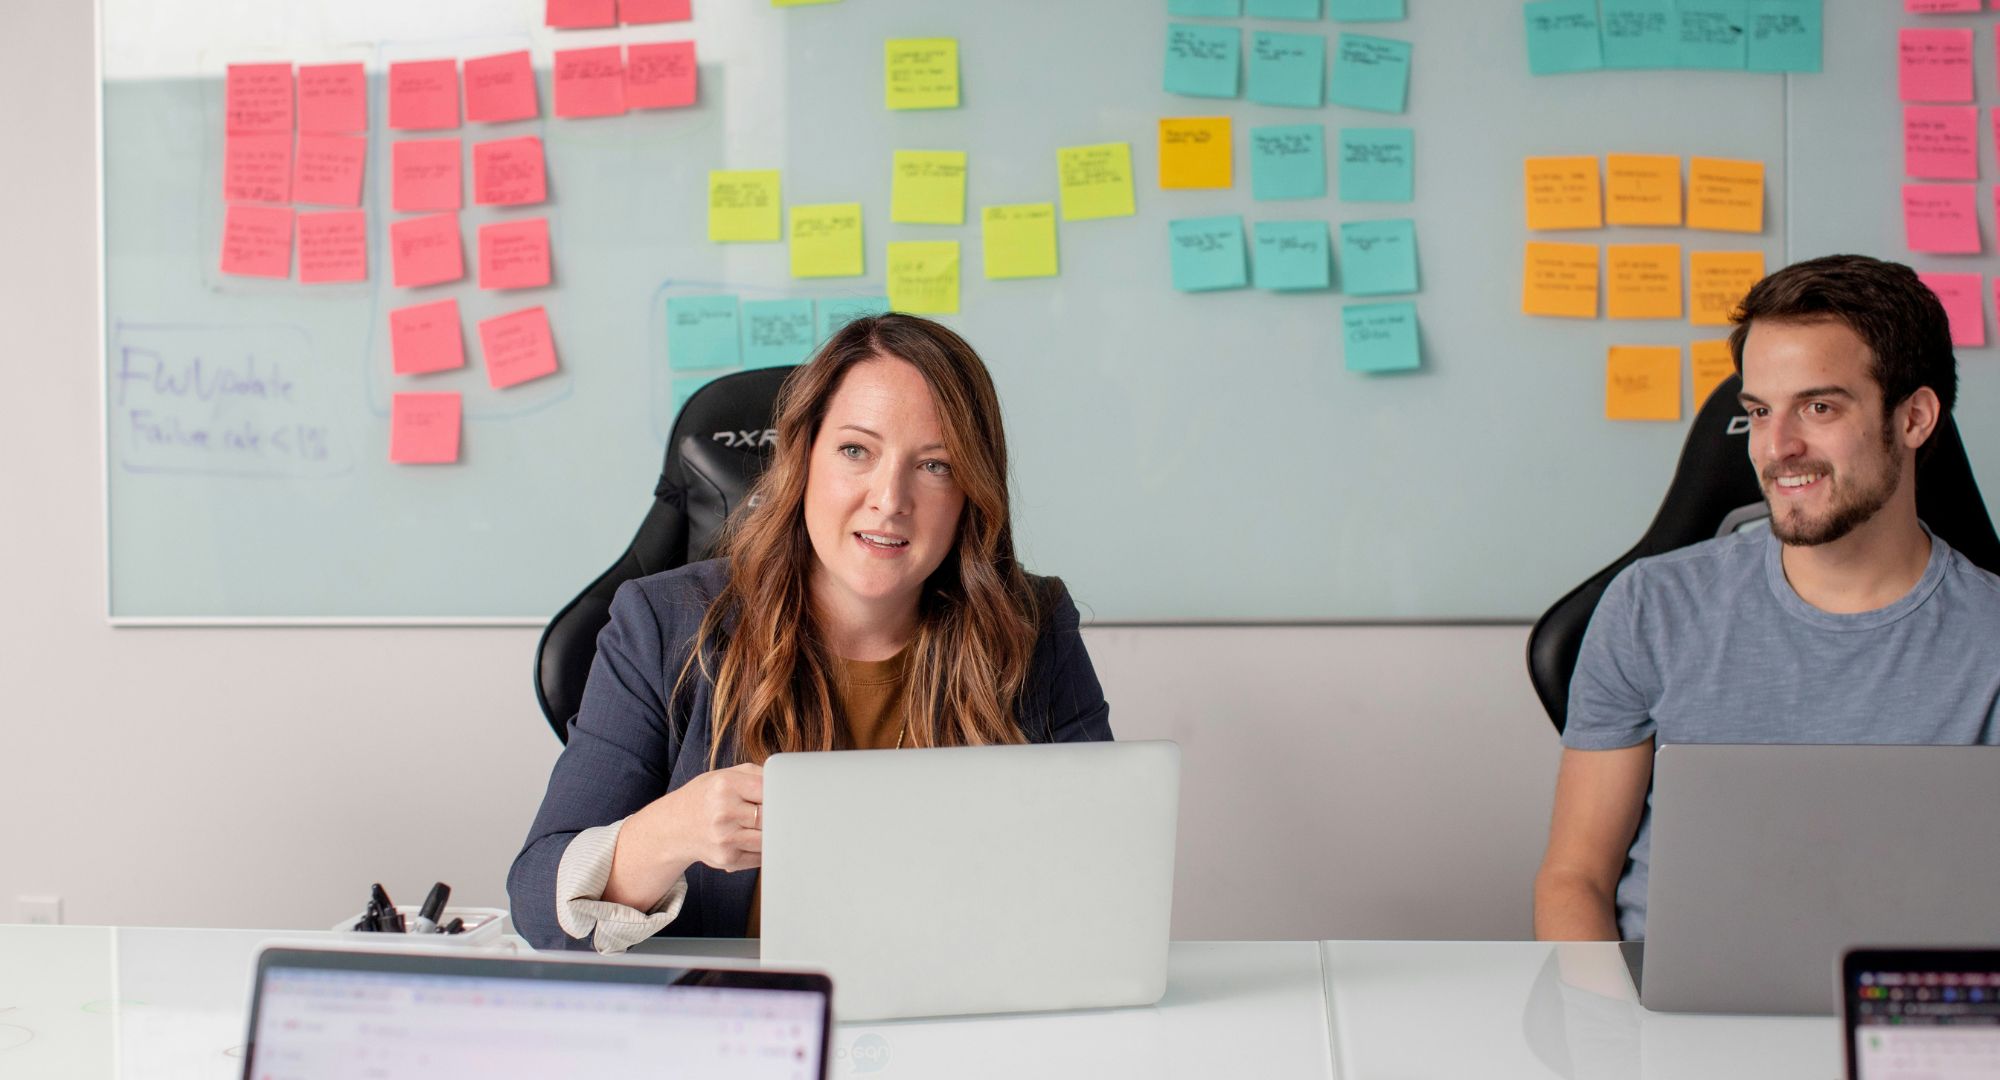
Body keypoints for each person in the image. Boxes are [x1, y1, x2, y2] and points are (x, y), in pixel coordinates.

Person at [508, 314, 1113, 952]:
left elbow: (1107, 869)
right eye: (856, 451)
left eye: (934, 465)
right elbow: (538, 908)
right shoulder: (663, 623)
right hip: (739, 1019)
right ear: (804, 459)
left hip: (951, 1008)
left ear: (971, 490)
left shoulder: (1032, 624)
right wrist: (672, 831)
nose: (889, 498)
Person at [1533, 254, 2000, 942]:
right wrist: (1608, 1035)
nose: (1776, 447)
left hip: (1911, 1019)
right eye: (1758, 410)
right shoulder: (1650, 608)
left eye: (1818, 406)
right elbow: (1576, 878)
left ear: (1914, 418)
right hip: (1669, 1021)